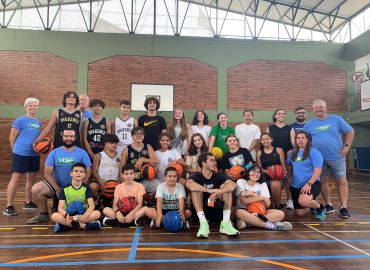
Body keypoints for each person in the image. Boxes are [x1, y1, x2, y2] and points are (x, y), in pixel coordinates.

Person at [27, 129, 91, 224]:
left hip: (75, 184)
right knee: (36, 189)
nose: (68, 138)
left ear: (75, 138)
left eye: (71, 136)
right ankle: (43, 214)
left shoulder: (82, 152)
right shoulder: (54, 152)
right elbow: (47, 173)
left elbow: (88, 172)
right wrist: (58, 189)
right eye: (66, 136)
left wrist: (79, 188)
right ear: (62, 136)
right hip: (57, 184)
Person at [304, 99, 354, 218]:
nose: (319, 109)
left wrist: (346, 146)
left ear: (326, 108)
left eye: (321, 107)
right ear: (313, 109)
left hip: (337, 157)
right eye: (316, 107)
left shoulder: (336, 119)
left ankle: (343, 207)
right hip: (319, 160)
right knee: (324, 182)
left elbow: (350, 131)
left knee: (342, 181)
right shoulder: (309, 124)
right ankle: (329, 205)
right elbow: (304, 139)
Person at [186, 152, 239, 238]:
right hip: (201, 213)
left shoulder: (219, 176)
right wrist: (208, 190)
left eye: (215, 161)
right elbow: (189, 184)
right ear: (203, 163)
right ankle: (203, 224)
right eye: (212, 161)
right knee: (195, 189)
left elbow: (233, 185)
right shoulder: (196, 176)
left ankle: (225, 223)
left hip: (217, 211)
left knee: (226, 188)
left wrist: (219, 192)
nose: (215, 163)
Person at [3, 98, 41, 216]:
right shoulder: (20, 120)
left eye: (34, 106)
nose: (32, 107)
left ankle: (28, 202)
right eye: (30, 106)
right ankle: (9, 206)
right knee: (16, 178)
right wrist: (14, 150)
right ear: (26, 107)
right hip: (21, 153)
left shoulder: (38, 122)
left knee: (31, 178)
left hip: (34, 154)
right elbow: (12, 136)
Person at [235, 165, 292, 231]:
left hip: (260, 212)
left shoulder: (262, 184)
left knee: (280, 214)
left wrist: (253, 194)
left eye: (258, 172)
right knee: (239, 212)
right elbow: (243, 201)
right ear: (248, 172)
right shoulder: (241, 181)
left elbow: (267, 204)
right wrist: (263, 198)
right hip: (245, 211)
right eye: (253, 171)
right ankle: (272, 226)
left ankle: (250, 222)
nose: (256, 174)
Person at [286, 131, 326, 220]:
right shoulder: (292, 153)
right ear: (295, 140)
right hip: (295, 185)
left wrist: (309, 184)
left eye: (303, 138)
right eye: (298, 138)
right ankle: (311, 204)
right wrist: (289, 176)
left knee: (304, 201)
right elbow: (288, 164)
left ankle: (320, 208)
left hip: (311, 183)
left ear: (307, 140)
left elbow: (318, 171)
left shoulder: (314, 152)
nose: (300, 140)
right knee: (300, 213)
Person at [51, 162, 101, 232]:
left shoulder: (86, 188)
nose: (78, 173)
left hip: (82, 215)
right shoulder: (65, 188)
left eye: (81, 172)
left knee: (97, 213)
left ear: (84, 175)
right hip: (69, 215)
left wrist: (84, 216)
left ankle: (65, 226)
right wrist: (66, 215)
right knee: (54, 216)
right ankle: (85, 226)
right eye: (76, 171)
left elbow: (92, 206)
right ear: (71, 173)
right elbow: (60, 207)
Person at [120, 127, 159, 201]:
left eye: (141, 134)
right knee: (134, 200)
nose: (139, 135)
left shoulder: (147, 146)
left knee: (159, 187)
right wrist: (122, 183)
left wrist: (143, 160)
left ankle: (151, 202)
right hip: (132, 180)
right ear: (132, 136)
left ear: (144, 136)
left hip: (146, 179)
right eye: (136, 134)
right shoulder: (126, 149)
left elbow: (155, 160)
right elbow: (122, 167)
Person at [266, 109, 295, 209]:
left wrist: (292, 156)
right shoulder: (270, 128)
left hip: (287, 156)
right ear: (275, 116)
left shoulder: (290, 128)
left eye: (283, 114)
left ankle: (289, 200)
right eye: (279, 114)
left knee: (287, 179)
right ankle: (274, 201)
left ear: (285, 116)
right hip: (273, 157)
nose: (281, 115)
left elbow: (293, 143)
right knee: (274, 178)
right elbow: (266, 142)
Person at [256, 133, 286, 209]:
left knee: (275, 183)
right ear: (261, 141)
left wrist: (283, 171)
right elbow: (259, 169)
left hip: (278, 178)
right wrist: (268, 171)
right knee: (270, 206)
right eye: (263, 139)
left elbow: (283, 166)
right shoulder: (259, 153)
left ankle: (278, 207)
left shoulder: (279, 150)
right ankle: (274, 205)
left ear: (271, 139)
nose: (265, 141)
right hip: (265, 177)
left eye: (267, 138)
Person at [90, 134, 121, 208]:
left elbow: (122, 171)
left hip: (115, 183)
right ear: (106, 144)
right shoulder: (99, 155)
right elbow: (93, 171)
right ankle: (96, 204)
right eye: (111, 143)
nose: (114, 145)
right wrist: (99, 181)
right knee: (92, 187)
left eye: (116, 143)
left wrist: (119, 182)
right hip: (102, 182)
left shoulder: (120, 156)